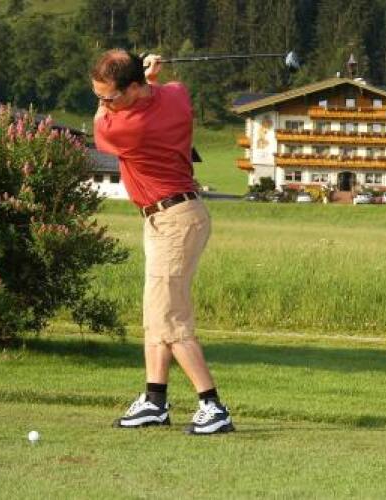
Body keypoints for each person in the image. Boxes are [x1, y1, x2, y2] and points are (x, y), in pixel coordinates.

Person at [91, 49, 233, 435]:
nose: (103, 103)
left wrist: (141, 80)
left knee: (170, 320)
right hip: (170, 217)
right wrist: (151, 80)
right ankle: (154, 401)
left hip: (174, 221)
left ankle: (213, 407)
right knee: (155, 315)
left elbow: (101, 128)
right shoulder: (176, 94)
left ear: (132, 88)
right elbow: (162, 92)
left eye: (108, 96)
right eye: (98, 95)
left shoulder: (124, 128)